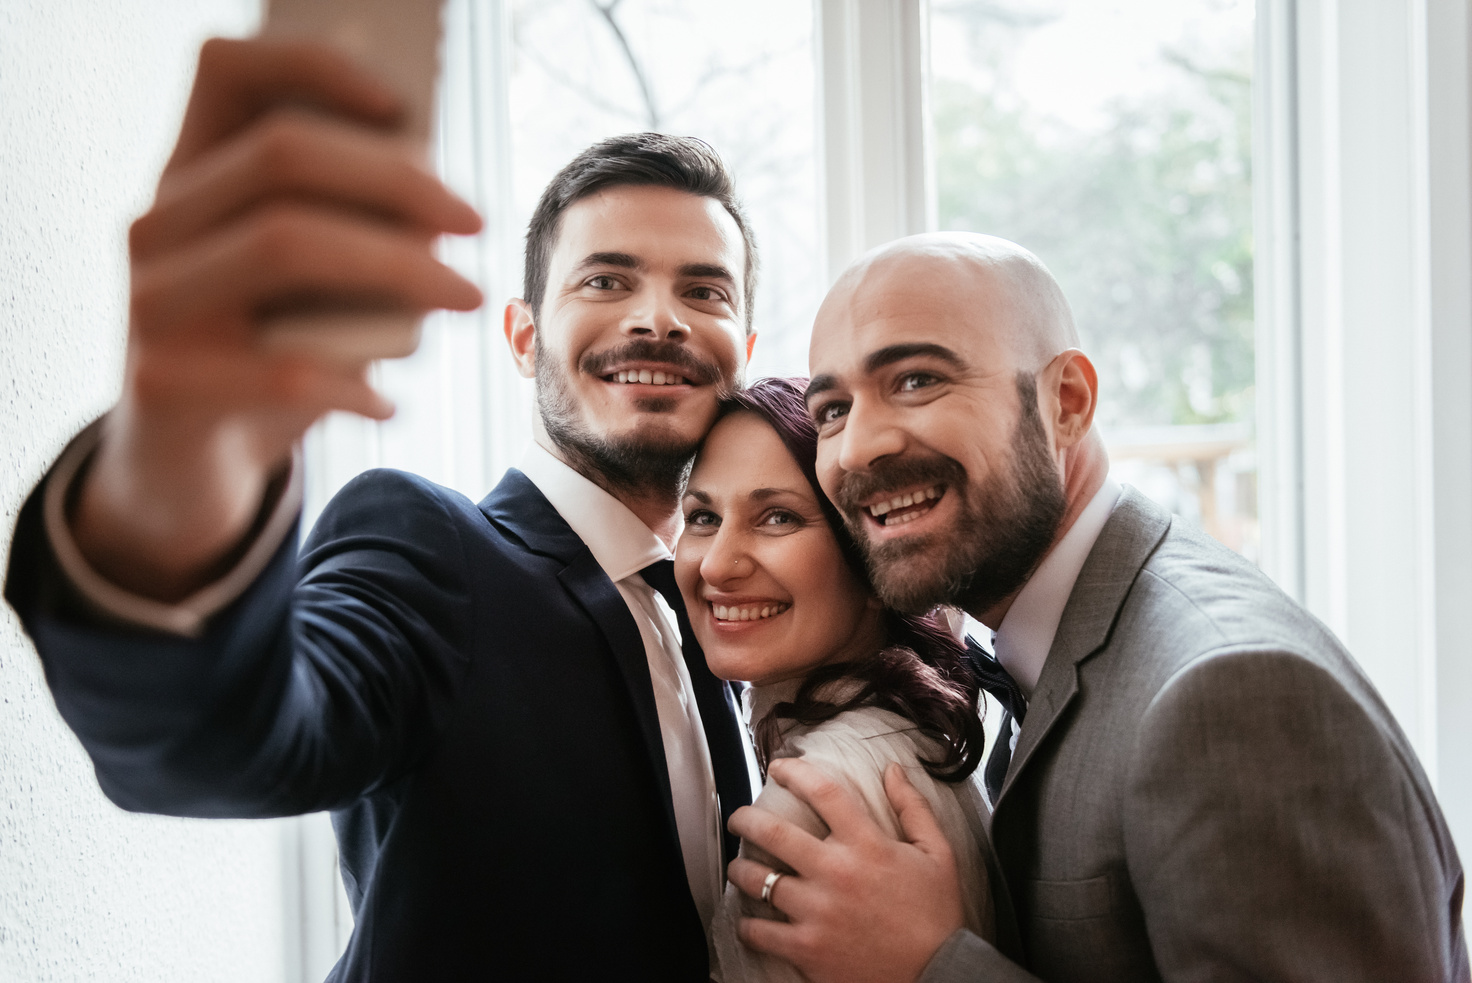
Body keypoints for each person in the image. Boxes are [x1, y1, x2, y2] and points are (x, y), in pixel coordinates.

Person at [5, 37, 760, 980]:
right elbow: (212, 740)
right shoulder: (430, 551)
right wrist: (180, 457)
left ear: (745, 346)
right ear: (525, 337)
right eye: (606, 280)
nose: (661, 318)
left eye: (704, 289)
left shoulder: (724, 612)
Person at [723, 232, 1470, 983]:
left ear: (1067, 403)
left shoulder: (1233, 691)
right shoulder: (1053, 636)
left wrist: (933, 964)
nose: (856, 448)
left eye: (917, 380)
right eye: (832, 409)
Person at [672, 378, 996, 981]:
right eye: (703, 516)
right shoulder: (904, 734)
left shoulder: (817, 798)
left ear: (879, 567)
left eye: (777, 517)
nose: (717, 562)